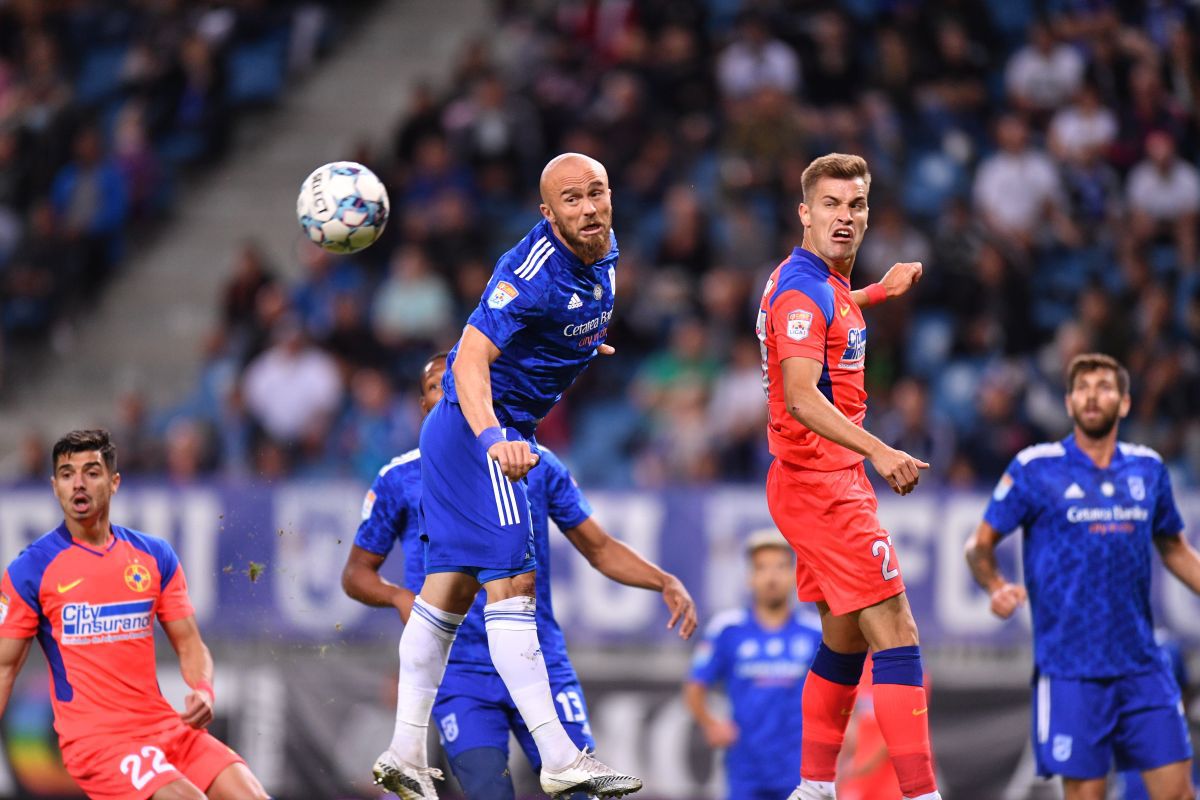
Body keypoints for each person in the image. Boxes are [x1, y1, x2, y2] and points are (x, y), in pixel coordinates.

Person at [372, 153, 643, 799]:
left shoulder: (600, 245)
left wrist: (574, 344)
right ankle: (558, 754)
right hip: (478, 433)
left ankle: (406, 748)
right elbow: (468, 358)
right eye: (571, 200)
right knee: (514, 581)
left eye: (597, 193)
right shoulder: (531, 270)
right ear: (546, 214)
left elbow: (566, 316)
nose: (588, 208)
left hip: (473, 434)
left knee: (450, 589)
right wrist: (496, 439)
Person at [343, 352, 696, 800]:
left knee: (582, 794)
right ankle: (406, 752)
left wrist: (662, 579)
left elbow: (599, 547)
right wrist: (397, 597)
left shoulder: (533, 463)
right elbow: (356, 573)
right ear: (423, 405)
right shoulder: (399, 478)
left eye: (458, 384)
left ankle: (406, 752)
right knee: (490, 792)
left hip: (539, 659)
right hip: (462, 672)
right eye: (437, 386)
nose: (450, 394)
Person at [755, 152, 940, 800]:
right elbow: (803, 395)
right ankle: (922, 795)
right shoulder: (804, 291)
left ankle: (812, 788)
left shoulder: (812, 283)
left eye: (856, 205)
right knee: (896, 629)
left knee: (843, 639)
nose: (844, 217)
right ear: (805, 213)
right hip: (822, 483)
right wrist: (880, 451)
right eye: (830, 205)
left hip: (817, 480)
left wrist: (877, 293)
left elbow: (822, 316)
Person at [964, 353, 1200, 800]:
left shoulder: (1148, 469)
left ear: (1125, 403)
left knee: (1178, 794)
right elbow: (979, 545)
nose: (1093, 395)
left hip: (1142, 665)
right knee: (1086, 795)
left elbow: (1175, 549)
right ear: (1069, 403)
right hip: (1071, 670)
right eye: (1083, 388)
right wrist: (995, 585)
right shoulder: (1036, 468)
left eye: (1105, 386)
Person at [0, 430, 268, 800]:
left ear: (114, 483)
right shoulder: (30, 570)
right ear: (54, 485)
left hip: (165, 728)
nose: (78, 483)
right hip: (98, 743)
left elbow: (190, 644)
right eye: (66, 474)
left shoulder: (154, 556)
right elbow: (4, 668)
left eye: (91, 472)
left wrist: (204, 690)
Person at [684, 529, 823, 800]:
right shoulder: (728, 630)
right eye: (762, 568)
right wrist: (711, 723)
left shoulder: (815, 633)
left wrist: (846, 727)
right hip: (745, 766)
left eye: (781, 567)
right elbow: (695, 686)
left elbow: (840, 689)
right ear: (750, 577)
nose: (771, 576)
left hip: (801, 766)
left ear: (795, 575)